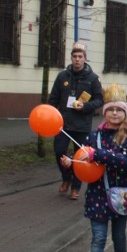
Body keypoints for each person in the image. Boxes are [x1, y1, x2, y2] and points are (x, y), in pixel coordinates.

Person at [60, 84, 127, 252]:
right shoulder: (93, 136)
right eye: (111, 110)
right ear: (104, 112)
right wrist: (73, 162)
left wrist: (99, 155)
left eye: (119, 110)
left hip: (121, 195)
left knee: (119, 237)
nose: (115, 113)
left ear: (125, 112)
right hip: (97, 196)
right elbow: (84, 160)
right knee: (97, 239)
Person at [49, 42, 104, 200]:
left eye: (80, 57)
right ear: (71, 58)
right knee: (60, 152)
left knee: (80, 157)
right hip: (63, 124)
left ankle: (75, 187)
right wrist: (52, 115)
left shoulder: (93, 79)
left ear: (85, 59)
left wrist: (85, 106)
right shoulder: (62, 76)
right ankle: (66, 178)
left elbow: (99, 100)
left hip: (82, 125)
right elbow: (53, 99)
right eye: (74, 57)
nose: (77, 60)